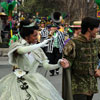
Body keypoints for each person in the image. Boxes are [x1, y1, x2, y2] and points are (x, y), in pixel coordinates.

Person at [0, 20, 69, 100]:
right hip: (18, 81)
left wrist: (58, 64)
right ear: (27, 36)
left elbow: (46, 66)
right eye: (35, 35)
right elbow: (22, 51)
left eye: (38, 35)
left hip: (35, 81)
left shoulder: (38, 50)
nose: (37, 37)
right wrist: (41, 44)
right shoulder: (16, 45)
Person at [62, 17, 100, 100]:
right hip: (77, 84)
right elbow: (67, 60)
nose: (98, 30)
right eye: (96, 28)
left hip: (91, 83)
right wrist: (66, 63)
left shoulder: (96, 42)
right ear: (89, 29)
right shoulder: (73, 42)